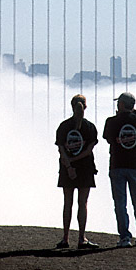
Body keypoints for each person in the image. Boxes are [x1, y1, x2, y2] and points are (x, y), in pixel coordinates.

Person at [103, 92, 136, 247]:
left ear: (121, 105)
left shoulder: (111, 122)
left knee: (120, 203)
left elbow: (109, 139)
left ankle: (124, 237)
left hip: (117, 165)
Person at [55, 94, 99, 249]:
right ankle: (81, 238)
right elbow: (88, 151)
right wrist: (75, 163)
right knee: (83, 203)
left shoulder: (63, 126)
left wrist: (69, 166)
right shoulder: (90, 127)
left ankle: (65, 238)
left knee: (68, 203)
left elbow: (61, 150)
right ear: (85, 107)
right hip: (85, 169)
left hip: (67, 170)